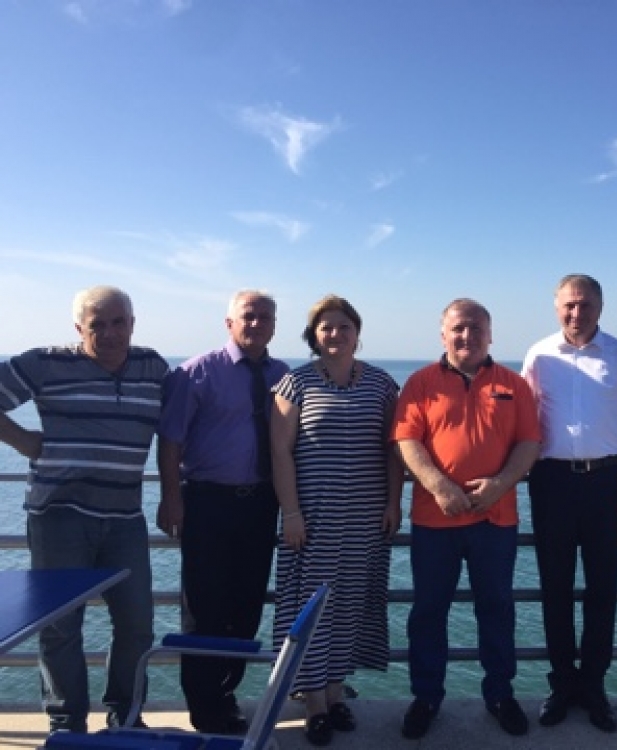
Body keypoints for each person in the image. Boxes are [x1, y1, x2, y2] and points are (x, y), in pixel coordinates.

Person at [0, 286, 168, 734]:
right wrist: (24, 441)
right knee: (60, 626)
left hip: (125, 518)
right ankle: (67, 725)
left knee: (137, 625)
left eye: (118, 322)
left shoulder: (153, 367)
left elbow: (184, 424)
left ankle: (125, 719)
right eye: (97, 325)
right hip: (60, 515)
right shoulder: (45, 363)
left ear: (133, 323)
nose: (110, 333)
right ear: (79, 328)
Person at [392, 298, 540, 740]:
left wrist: (501, 484)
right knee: (428, 612)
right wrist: (439, 486)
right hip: (434, 520)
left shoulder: (514, 384)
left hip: (495, 519)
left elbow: (529, 443)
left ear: (490, 335)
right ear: (443, 335)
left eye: (476, 328)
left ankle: (500, 694)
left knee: (496, 609)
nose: (467, 336)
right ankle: (426, 698)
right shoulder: (420, 383)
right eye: (458, 328)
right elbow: (406, 441)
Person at [271, 294, 403, 747]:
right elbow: (280, 452)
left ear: (356, 332)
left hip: (366, 517)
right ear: (313, 335)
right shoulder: (295, 382)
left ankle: (333, 691)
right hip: (314, 518)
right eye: (325, 327)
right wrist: (291, 512)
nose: (335, 334)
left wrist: (394, 502)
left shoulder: (382, 384)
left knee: (350, 604)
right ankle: (313, 702)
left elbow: (392, 449)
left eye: (344, 326)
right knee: (312, 608)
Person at [521, 274, 617, 733]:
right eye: (569, 305)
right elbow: (524, 421)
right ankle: (561, 685)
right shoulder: (538, 355)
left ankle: (594, 686)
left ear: (601, 307)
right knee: (554, 588)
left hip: (607, 483)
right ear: (556, 306)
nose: (577, 313)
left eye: (586, 305)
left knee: (602, 590)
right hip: (551, 482)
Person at [157, 290, 288, 735]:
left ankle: (227, 691)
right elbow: (171, 439)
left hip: (262, 504)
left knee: (246, 606)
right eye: (248, 316)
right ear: (229, 323)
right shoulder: (196, 371)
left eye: (265, 317)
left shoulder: (283, 375)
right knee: (204, 608)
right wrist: (171, 497)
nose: (256, 323)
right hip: (208, 502)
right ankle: (205, 708)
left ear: (274, 326)